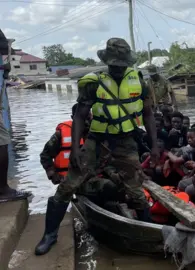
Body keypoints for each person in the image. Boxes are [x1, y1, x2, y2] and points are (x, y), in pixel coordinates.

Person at [35, 38, 160, 256]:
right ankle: (49, 235)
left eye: (122, 65)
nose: (118, 69)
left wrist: (154, 145)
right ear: (107, 62)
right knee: (68, 187)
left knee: (137, 192)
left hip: (125, 141)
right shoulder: (93, 82)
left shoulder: (139, 81)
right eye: (114, 65)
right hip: (97, 139)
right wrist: (75, 149)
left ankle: (147, 233)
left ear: (127, 63)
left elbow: (148, 115)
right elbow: (81, 116)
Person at [39, 104, 89, 184]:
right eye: (82, 118)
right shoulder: (60, 135)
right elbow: (45, 156)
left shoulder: (97, 133)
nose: (86, 121)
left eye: (88, 117)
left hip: (89, 179)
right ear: (73, 118)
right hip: (66, 180)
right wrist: (53, 174)